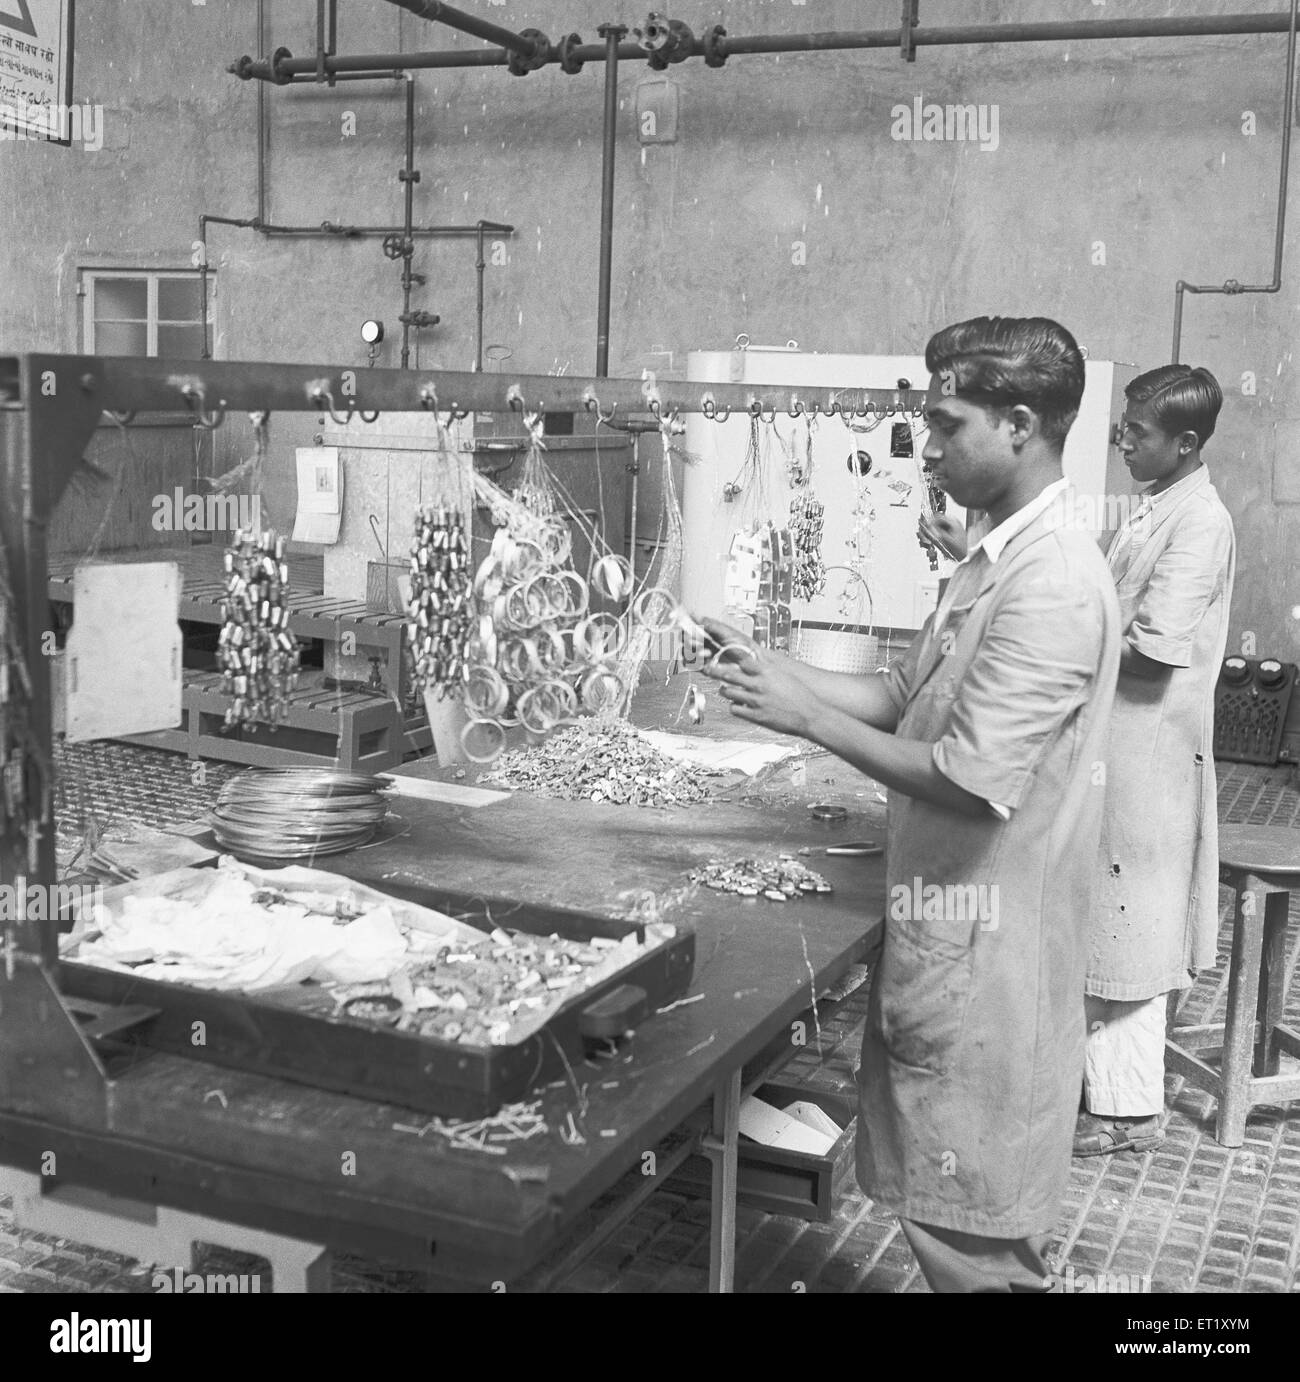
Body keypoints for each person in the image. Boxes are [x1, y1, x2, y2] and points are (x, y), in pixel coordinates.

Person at [699, 316, 1120, 1292]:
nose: (926, 447)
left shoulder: (1052, 582)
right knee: (951, 1222)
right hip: (953, 931)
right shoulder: (992, 559)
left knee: (973, 1243)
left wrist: (806, 717)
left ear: (1020, 424)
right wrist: (771, 667)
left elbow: (971, 777)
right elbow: (903, 695)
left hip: (990, 963)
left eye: (946, 424)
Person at [1074, 366, 1236, 1156]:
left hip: (1149, 755)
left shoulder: (1200, 522)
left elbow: (1155, 652)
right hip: (1118, 746)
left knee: (1132, 927)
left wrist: (1063, 638)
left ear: (1186, 442)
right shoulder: (1153, 508)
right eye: (1123, 430)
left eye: (1136, 434)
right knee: (1109, 920)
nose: (1124, 444)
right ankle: (1102, 1092)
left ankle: (1129, 1113)